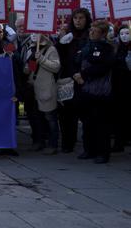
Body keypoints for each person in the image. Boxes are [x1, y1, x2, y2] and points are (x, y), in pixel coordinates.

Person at [75, 20, 115, 164]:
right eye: (91, 29)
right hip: (85, 90)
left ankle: (102, 153)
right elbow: (77, 61)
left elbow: (103, 66)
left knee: (101, 123)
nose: (91, 32)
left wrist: (83, 74)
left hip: (100, 91)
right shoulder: (86, 45)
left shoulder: (107, 48)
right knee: (87, 122)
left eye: (95, 30)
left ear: (103, 33)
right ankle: (89, 149)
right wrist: (76, 73)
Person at [56, 8, 91, 153]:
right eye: (75, 18)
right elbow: (59, 56)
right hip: (67, 78)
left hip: (84, 79)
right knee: (66, 114)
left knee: (85, 114)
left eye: (81, 18)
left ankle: (88, 145)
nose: (78, 21)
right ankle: (67, 143)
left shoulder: (90, 34)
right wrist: (61, 41)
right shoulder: (68, 34)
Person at [25, 34, 61, 154]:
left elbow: (55, 67)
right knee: (37, 118)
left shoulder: (51, 49)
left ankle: (53, 144)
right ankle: (39, 141)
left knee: (50, 118)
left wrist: (41, 58)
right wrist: (28, 66)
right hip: (33, 88)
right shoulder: (32, 49)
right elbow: (31, 69)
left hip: (46, 88)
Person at [111, 25, 130, 152]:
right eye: (122, 33)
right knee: (119, 114)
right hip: (118, 86)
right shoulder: (116, 48)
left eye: (127, 33)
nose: (124, 36)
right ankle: (119, 142)